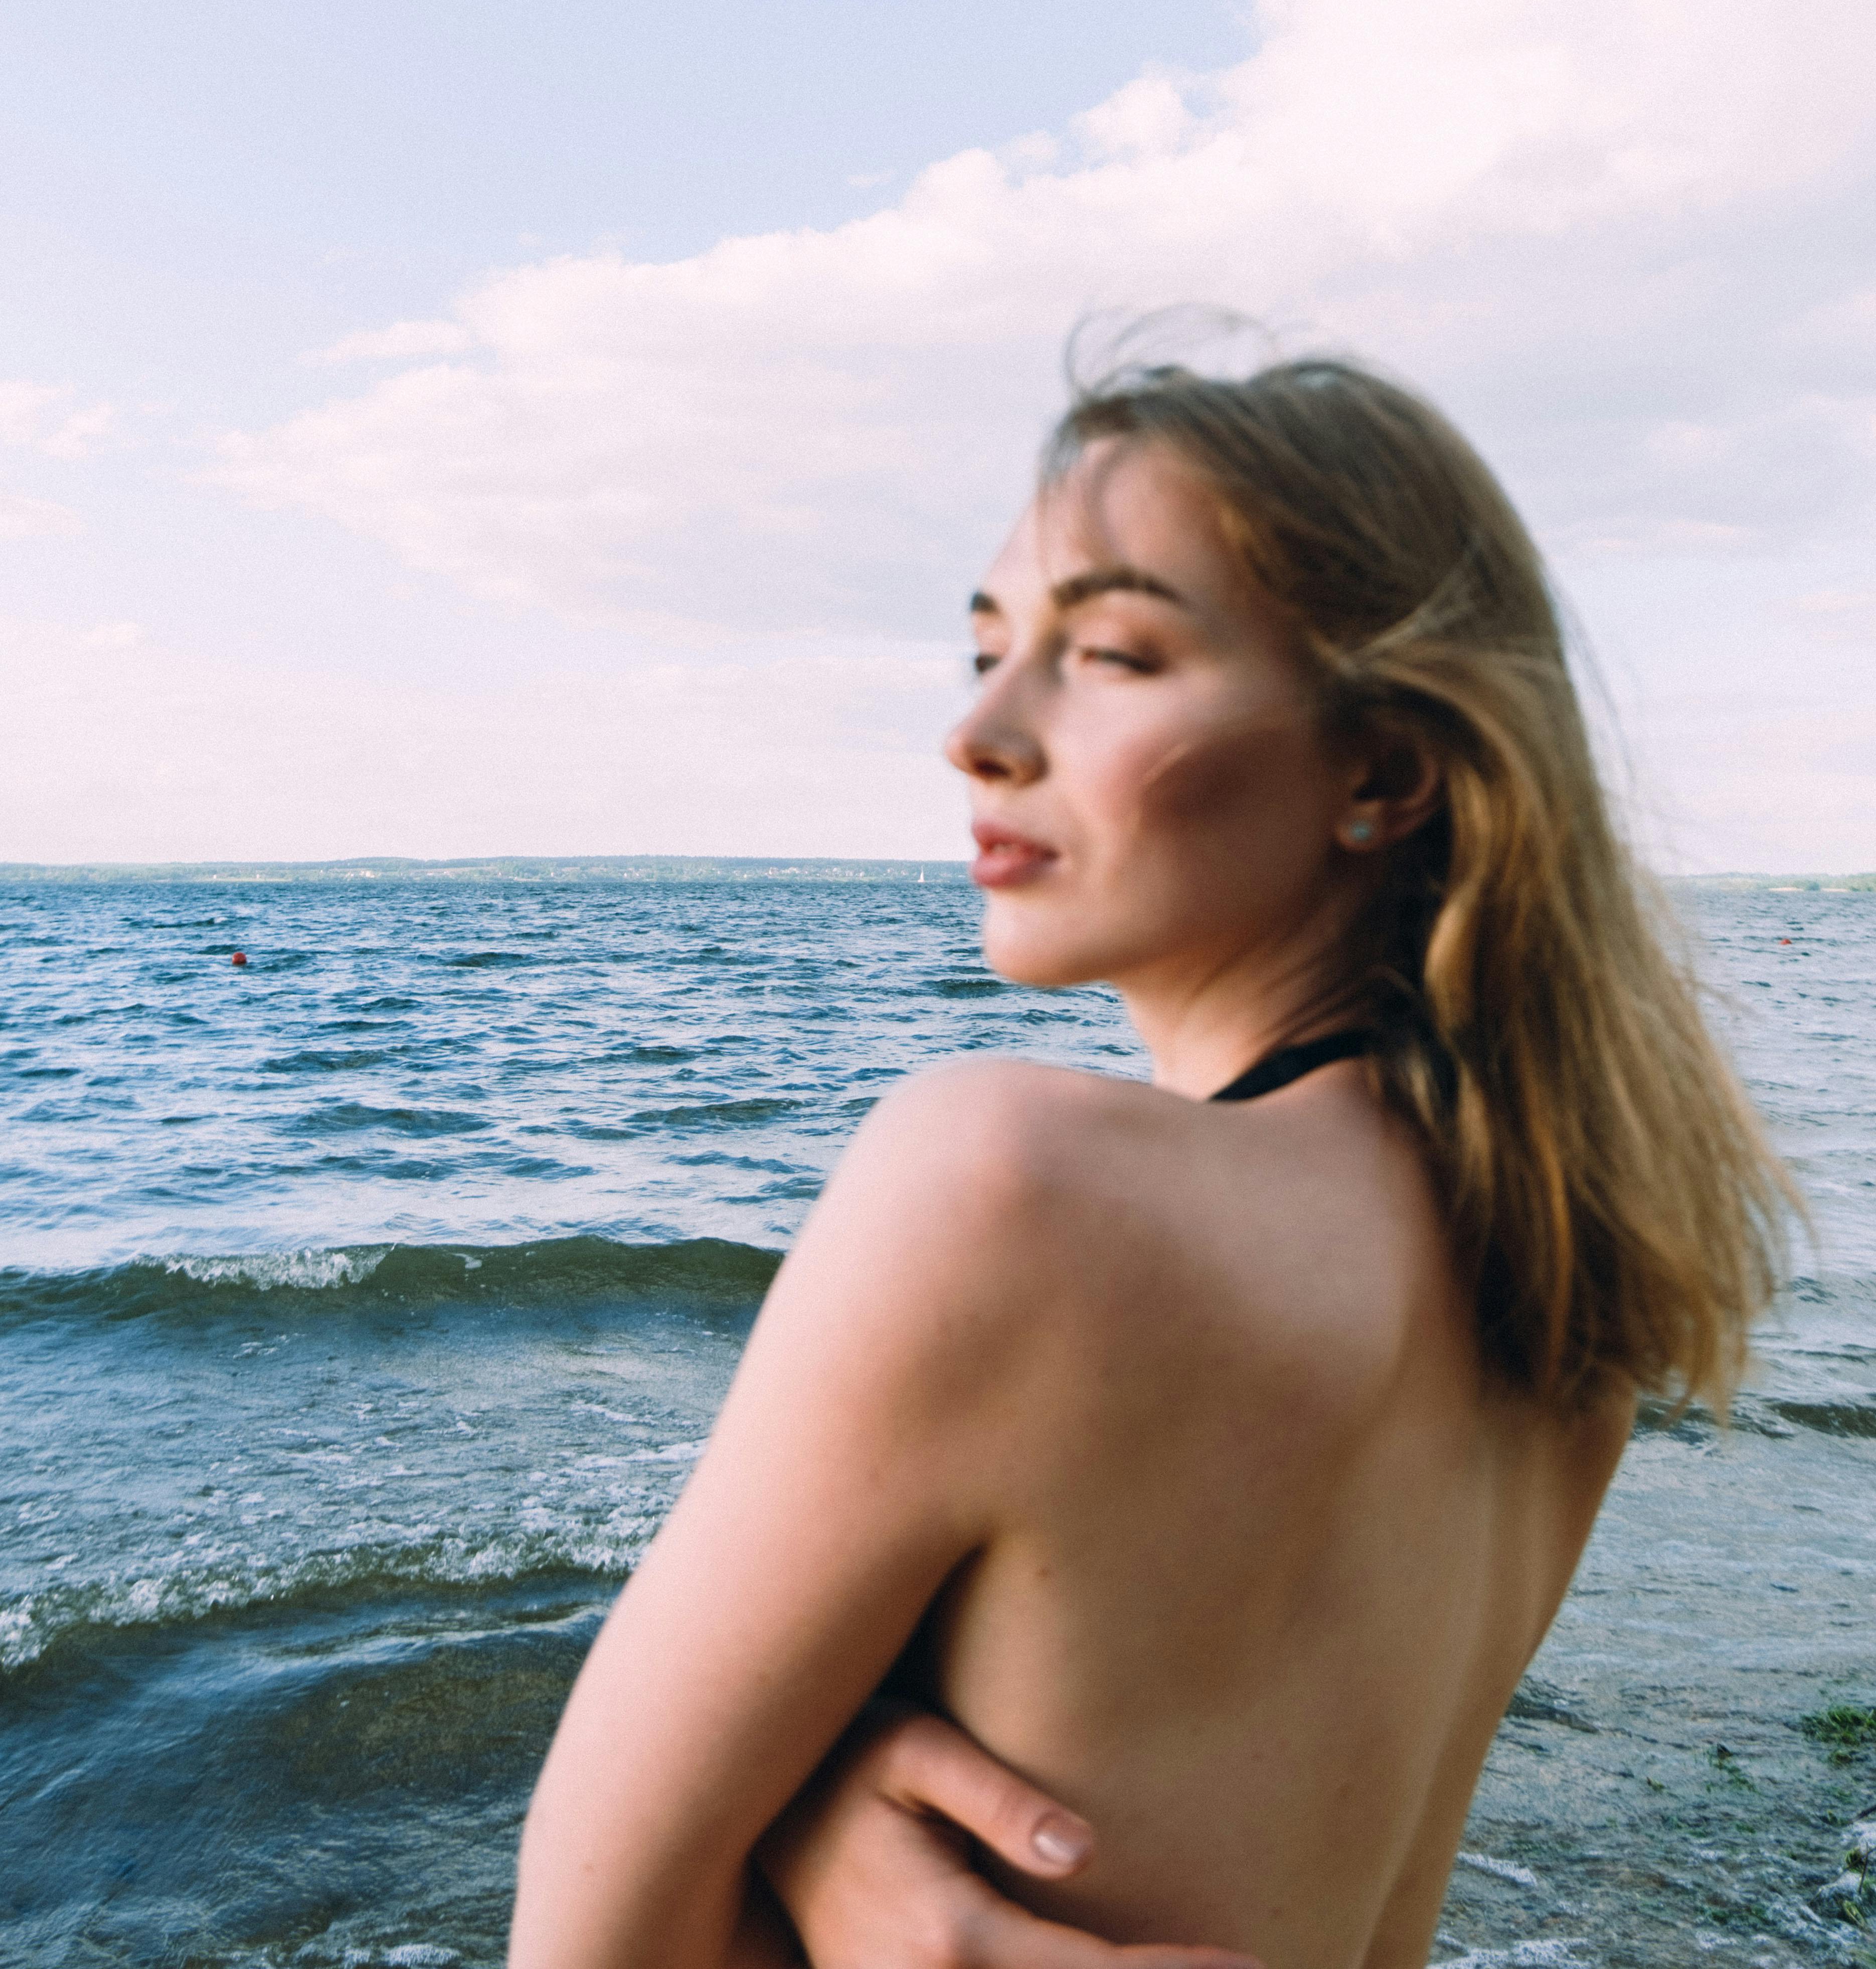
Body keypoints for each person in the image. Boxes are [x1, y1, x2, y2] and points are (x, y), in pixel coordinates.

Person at [511, 349, 1791, 1969]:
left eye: (1113, 654)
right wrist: (818, 1806)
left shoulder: (1004, 1184)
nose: (979, 732)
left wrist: (809, 1834)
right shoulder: (1557, 1312)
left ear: (1384, 769)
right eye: (988, 648)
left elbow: (579, 1949)